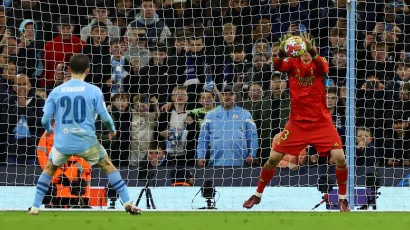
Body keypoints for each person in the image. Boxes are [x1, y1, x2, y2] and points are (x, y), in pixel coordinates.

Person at [243, 33, 350, 212]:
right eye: (302, 49)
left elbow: (323, 68)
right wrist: (282, 52)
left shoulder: (319, 61)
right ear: (298, 51)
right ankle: (257, 195)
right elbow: (277, 66)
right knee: (273, 159)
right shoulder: (292, 63)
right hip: (297, 123)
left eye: (308, 49)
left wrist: (311, 48)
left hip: (320, 122)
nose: (305, 53)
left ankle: (343, 198)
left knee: (340, 158)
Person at [28, 54, 141, 215]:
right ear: (88, 70)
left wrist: (48, 129)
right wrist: (112, 130)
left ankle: (35, 206)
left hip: (63, 142)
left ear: (68, 69)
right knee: (108, 166)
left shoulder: (56, 91)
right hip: (87, 143)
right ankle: (128, 202)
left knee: (49, 169)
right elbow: (105, 117)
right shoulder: (94, 90)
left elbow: (45, 118)